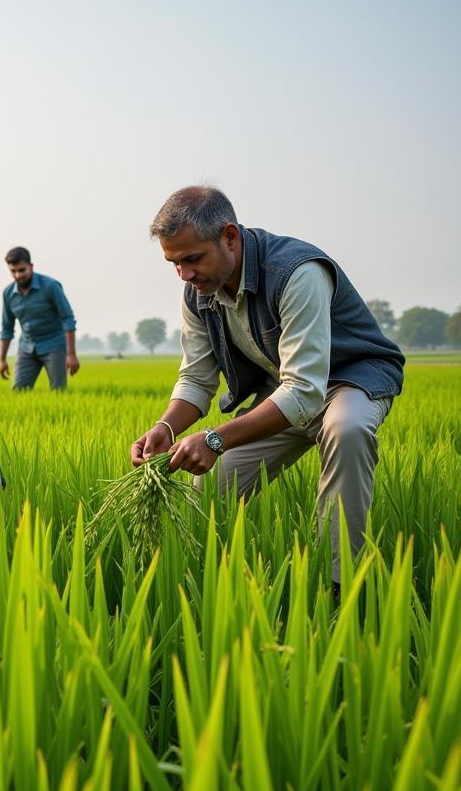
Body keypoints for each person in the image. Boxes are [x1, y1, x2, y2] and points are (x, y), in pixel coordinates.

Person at [131, 186, 405, 583]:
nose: (185, 275)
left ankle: (342, 586)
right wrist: (165, 427)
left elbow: (307, 390)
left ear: (229, 236)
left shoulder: (297, 272)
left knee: (346, 430)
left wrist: (213, 439)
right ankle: (194, 584)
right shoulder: (198, 292)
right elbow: (196, 378)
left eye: (193, 259)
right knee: (205, 492)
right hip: (285, 392)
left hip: (348, 380)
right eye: (174, 264)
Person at [0, 246, 79, 389]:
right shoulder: (8, 294)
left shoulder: (51, 287)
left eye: (22, 270)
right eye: (13, 271)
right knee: (19, 392)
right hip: (27, 347)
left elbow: (68, 319)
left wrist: (71, 354)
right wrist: (2, 359)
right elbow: (6, 328)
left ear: (31, 266)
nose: (18, 275)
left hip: (54, 345)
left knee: (58, 392)